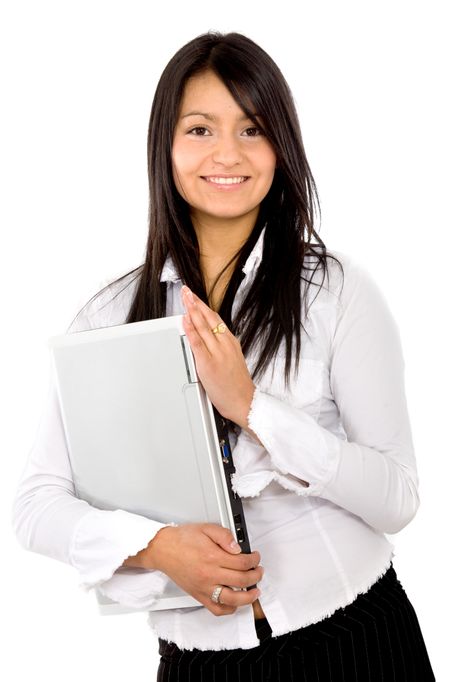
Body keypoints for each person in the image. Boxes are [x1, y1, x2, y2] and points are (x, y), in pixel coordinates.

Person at [12, 31, 435, 681]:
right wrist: (153, 547)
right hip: (198, 663)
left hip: (355, 640)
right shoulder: (109, 315)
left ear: (281, 147)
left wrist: (254, 409)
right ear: (166, 146)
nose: (228, 154)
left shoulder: (337, 292)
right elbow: (37, 505)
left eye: (252, 129)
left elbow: (398, 498)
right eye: (201, 129)